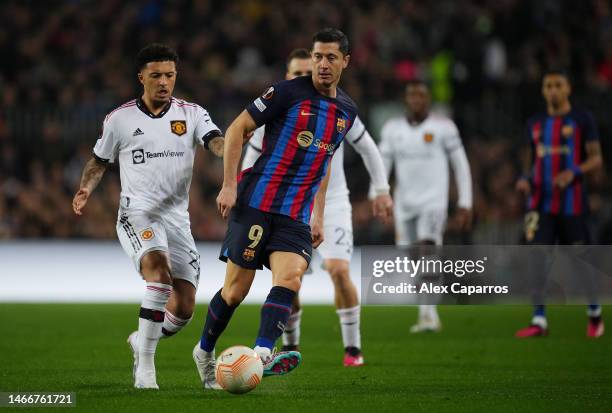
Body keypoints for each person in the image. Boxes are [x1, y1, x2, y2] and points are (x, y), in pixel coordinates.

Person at [192, 28, 358, 387]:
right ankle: (204, 350)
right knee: (235, 291)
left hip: (295, 214)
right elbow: (237, 129)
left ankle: (263, 352)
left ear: (345, 61)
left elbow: (323, 161)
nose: (323, 64)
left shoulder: (347, 111)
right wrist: (229, 184)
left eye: (331, 57)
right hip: (256, 202)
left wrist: (317, 213)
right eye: (318, 56)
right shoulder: (286, 93)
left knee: (291, 278)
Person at [72, 44, 225, 389]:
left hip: (176, 219)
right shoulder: (120, 119)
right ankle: (145, 369)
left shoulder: (192, 114)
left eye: (169, 75)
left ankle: (141, 340)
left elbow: (214, 141)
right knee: (158, 272)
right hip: (137, 213)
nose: (163, 82)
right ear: (141, 77)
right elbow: (99, 161)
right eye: (155, 75)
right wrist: (85, 188)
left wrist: (228, 148)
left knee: (184, 308)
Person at [242, 48, 392, 367]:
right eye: (293, 74)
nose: (300, 78)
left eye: (303, 72)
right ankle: (289, 345)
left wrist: (381, 189)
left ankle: (352, 348)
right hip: (284, 203)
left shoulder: (338, 108)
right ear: (286, 77)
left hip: (332, 202)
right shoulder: (276, 110)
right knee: (288, 281)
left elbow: (368, 148)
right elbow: (251, 159)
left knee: (338, 271)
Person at [515, 69, 604, 338]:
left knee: (581, 260)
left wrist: (574, 172)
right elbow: (529, 158)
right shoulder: (535, 122)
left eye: (558, 85)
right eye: (548, 85)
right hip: (539, 203)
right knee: (537, 257)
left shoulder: (581, 119)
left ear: (568, 89)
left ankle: (594, 313)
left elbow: (596, 158)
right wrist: (524, 178)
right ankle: (539, 319)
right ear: (543, 91)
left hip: (571, 203)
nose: (552, 90)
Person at [377, 80, 473, 333]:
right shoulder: (392, 129)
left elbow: (460, 165)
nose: (416, 100)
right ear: (405, 100)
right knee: (412, 257)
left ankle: (429, 313)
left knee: (426, 250)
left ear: (428, 100)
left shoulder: (444, 127)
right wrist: (377, 195)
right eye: (412, 95)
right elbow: (382, 164)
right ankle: (427, 308)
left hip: (434, 202)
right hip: (404, 204)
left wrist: (465, 203)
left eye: (421, 95)